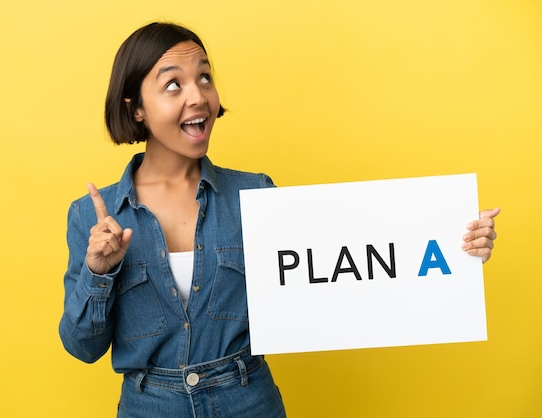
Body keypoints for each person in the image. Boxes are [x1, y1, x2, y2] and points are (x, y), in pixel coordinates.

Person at [58, 22, 500, 417]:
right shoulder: (92, 217)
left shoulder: (255, 194)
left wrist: (454, 248)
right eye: (173, 85)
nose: (199, 96)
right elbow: (82, 347)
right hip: (148, 407)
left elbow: (347, 270)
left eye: (205, 77)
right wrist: (100, 272)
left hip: (247, 401)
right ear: (136, 108)